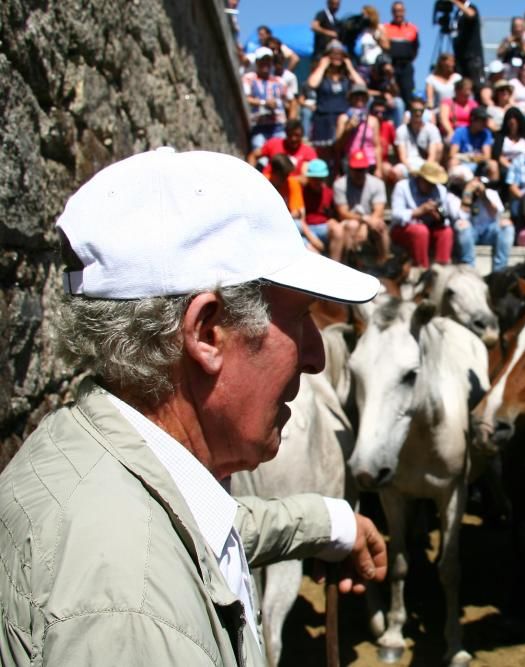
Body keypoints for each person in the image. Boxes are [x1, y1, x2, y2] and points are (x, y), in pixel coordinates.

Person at [0, 148, 386, 665]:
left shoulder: (87, 447)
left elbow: (200, 533)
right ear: (208, 332)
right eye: (299, 319)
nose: (316, 356)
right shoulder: (135, 618)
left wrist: (331, 524)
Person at [390, 161, 457, 267]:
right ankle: (422, 270)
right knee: (421, 231)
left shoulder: (440, 190)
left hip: (430, 229)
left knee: (446, 232)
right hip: (403, 230)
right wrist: (419, 211)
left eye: (433, 183)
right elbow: (396, 215)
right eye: (429, 182)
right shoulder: (402, 187)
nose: (431, 186)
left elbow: (446, 218)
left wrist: (439, 218)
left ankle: (441, 270)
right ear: (420, 178)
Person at [307, 42, 366, 161]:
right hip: (323, 119)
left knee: (340, 153)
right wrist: (322, 66)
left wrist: (349, 67)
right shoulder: (322, 76)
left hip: (342, 119)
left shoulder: (346, 78)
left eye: (340, 54)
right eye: (334, 54)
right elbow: (312, 84)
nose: (337, 57)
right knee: (324, 155)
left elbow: (362, 86)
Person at [452, 167, 515, 271]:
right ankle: (468, 269)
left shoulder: (491, 193)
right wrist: (468, 193)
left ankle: (500, 270)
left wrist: (484, 197)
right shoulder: (456, 195)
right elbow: (461, 217)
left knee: (507, 225)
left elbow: (498, 215)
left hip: (489, 232)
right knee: (462, 224)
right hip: (470, 233)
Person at [334, 150, 390, 262]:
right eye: (356, 169)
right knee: (352, 225)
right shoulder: (340, 184)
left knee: (380, 225)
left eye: (362, 169)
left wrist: (365, 225)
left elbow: (379, 210)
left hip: (371, 220)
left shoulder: (377, 183)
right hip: (350, 221)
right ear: (350, 168)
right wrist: (363, 220)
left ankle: (384, 262)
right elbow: (343, 213)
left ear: (366, 169)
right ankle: (347, 262)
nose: (359, 173)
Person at [243, 48, 288, 152]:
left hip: (278, 125)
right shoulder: (249, 78)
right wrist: (264, 103)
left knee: (279, 156)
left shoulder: (280, 81)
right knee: (259, 154)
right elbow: (246, 98)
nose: (266, 64)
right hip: (259, 125)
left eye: (268, 61)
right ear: (257, 62)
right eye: (262, 60)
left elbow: (289, 101)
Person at [335, 83, 383, 177]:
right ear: (351, 98)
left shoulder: (373, 120)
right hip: (351, 163)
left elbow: (377, 146)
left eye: (362, 96)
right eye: (356, 96)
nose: (359, 99)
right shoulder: (343, 118)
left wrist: (379, 168)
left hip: (369, 163)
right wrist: (347, 130)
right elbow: (338, 147)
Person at [301, 158, 342, 258]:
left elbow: (336, 214)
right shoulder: (302, 193)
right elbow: (299, 219)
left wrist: (333, 221)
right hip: (306, 229)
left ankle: (336, 265)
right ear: (309, 178)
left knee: (338, 229)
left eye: (320, 179)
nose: (317, 182)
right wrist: (312, 239)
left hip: (324, 227)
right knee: (311, 250)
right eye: (314, 178)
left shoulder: (329, 192)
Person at [394, 98, 444, 178]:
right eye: (415, 110)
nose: (418, 113)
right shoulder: (401, 130)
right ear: (410, 111)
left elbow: (432, 155)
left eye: (421, 110)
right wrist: (410, 169)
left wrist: (424, 171)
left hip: (425, 164)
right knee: (396, 171)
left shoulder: (432, 129)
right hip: (408, 164)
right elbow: (402, 156)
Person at [383, 2, 419, 106]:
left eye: (400, 11)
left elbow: (416, 48)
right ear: (392, 12)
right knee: (392, 93)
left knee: (408, 93)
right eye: (395, 11)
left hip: (406, 66)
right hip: (391, 66)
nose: (398, 13)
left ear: (404, 12)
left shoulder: (412, 28)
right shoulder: (386, 28)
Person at [452, 0, 484, 85]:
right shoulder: (457, 13)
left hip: (472, 56)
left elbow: (471, 14)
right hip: (460, 56)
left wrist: (456, 2)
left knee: (475, 83)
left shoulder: (471, 7)